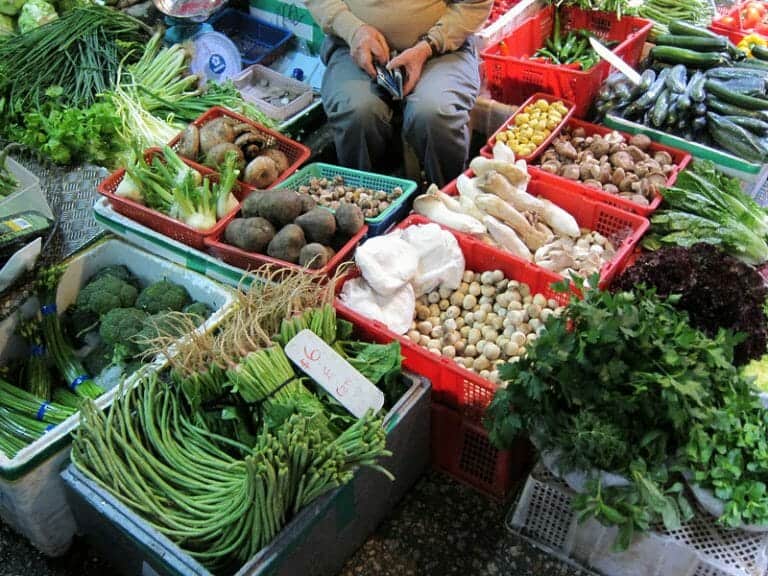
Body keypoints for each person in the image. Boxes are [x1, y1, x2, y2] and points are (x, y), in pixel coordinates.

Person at [305, 0, 493, 187]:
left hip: (441, 47)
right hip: (353, 46)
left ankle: (449, 201)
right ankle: (367, 200)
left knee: (434, 112)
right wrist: (353, 30)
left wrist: (430, 45)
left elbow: (474, 4)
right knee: (357, 111)